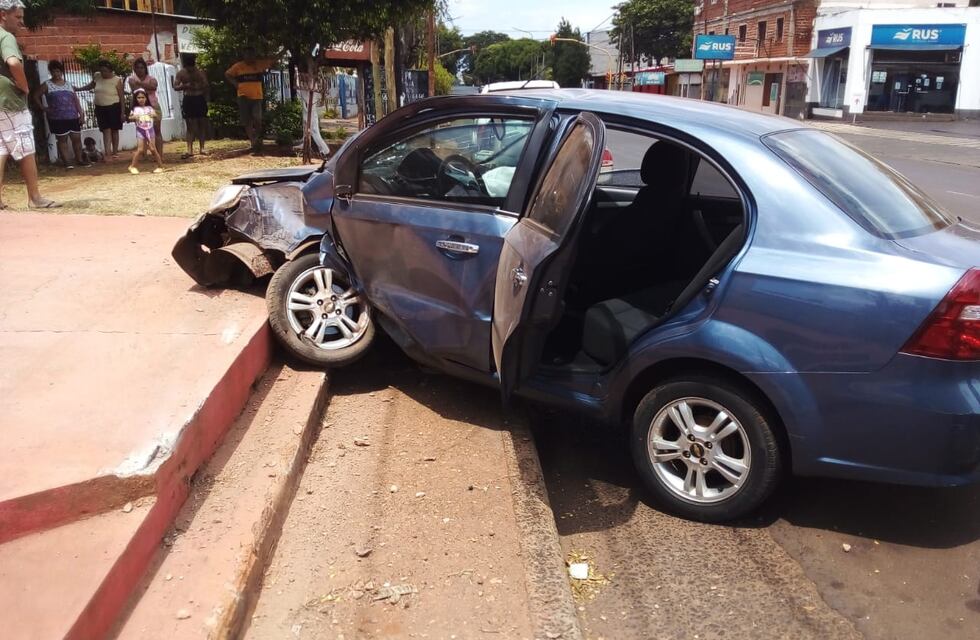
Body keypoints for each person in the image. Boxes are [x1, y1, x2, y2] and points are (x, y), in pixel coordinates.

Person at [0, 0, 57, 209]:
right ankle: (35, 198)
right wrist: (24, 87)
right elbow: (13, 63)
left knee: (1, 149)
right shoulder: (6, 37)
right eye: (18, 17)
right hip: (11, 102)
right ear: (3, 15)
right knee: (25, 147)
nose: (22, 22)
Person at [32, 59, 90, 169]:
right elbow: (35, 95)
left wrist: (81, 114)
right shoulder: (47, 85)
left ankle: (80, 159)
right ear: (51, 72)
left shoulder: (68, 84)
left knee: (76, 138)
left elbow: (75, 100)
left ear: (61, 72)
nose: (56, 74)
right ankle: (67, 161)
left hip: (72, 116)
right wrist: (43, 108)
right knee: (62, 140)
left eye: (58, 71)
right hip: (57, 118)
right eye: (54, 71)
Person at [225, 47, 275, 153]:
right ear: (244, 56)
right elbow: (228, 74)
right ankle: (252, 141)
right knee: (247, 120)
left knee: (258, 118)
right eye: (247, 55)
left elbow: (273, 59)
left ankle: (257, 137)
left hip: (257, 97)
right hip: (243, 96)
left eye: (251, 55)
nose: (249, 58)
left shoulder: (259, 64)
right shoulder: (238, 66)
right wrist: (236, 84)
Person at [74, 59, 124, 159]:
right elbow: (91, 85)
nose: (103, 73)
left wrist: (122, 112)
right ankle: (108, 152)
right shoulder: (97, 76)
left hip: (113, 107)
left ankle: (114, 152)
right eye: (102, 70)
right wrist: (79, 89)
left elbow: (121, 97)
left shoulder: (117, 80)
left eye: (105, 71)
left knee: (114, 130)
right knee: (105, 129)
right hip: (100, 107)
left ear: (110, 70)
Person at [172, 52, 209, 158]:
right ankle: (189, 150)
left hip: (199, 98)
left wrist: (197, 86)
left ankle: (202, 148)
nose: (190, 70)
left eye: (192, 68)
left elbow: (206, 84)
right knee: (190, 124)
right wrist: (186, 85)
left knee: (202, 123)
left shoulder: (200, 72)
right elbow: (175, 86)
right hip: (189, 98)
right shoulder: (181, 73)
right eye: (188, 68)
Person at [127, 58, 163, 157]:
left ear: (145, 68)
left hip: (153, 105)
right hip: (139, 108)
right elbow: (137, 90)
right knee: (143, 131)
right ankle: (145, 155)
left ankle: (159, 154)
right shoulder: (132, 79)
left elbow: (153, 87)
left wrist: (141, 84)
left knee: (157, 130)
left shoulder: (151, 78)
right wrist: (144, 86)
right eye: (137, 68)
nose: (140, 70)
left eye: (142, 68)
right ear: (134, 69)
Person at [295, 60, 329, 158]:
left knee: (313, 129)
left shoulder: (311, 82)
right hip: (308, 107)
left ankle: (325, 150)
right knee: (307, 126)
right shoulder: (310, 81)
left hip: (310, 107)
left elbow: (312, 98)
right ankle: (305, 144)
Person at [127, 88, 163, 174]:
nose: (141, 99)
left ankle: (160, 166)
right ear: (136, 99)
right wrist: (133, 117)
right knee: (140, 149)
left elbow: (156, 116)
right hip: (140, 131)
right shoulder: (135, 109)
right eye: (139, 98)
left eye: (143, 97)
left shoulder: (150, 108)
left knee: (153, 149)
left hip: (150, 130)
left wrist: (154, 115)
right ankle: (133, 166)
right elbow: (129, 117)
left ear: (146, 98)